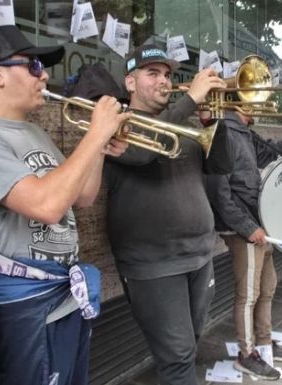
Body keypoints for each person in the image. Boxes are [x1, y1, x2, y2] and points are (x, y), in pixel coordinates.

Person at [0, 26, 129, 385]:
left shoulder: (35, 133)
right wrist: (94, 135)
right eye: (33, 65)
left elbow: (81, 196)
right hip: (25, 301)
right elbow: (46, 205)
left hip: (65, 291)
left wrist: (100, 150)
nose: (44, 75)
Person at [103, 44, 231, 385]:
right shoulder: (117, 125)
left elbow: (221, 166)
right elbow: (142, 154)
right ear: (130, 83)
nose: (164, 81)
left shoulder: (181, 125)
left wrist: (214, 119)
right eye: (153, 73)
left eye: (168, 75)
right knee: (177, 358)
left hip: (199, 255)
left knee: (189, 345)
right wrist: (189, 102)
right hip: (154, 262)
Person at [205, 109, 282, 380]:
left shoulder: (243, 132)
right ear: (237, 104)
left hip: (257, 222)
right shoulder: (224, 132)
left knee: (267, 288)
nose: (259, 103)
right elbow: (218, 191)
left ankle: (263, 343)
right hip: (244, 227)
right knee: (248, 295)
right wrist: (248, 228)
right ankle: (246, 354)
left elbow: (270, 153)